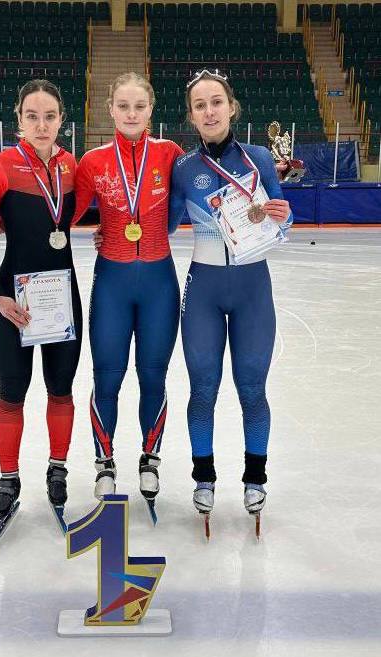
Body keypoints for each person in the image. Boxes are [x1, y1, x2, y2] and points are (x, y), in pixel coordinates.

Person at [169, 69, 292, 517]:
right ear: (191, 116)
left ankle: (255, 478)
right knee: (202, 389)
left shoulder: (258, 157)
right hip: (203, 288)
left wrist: (282, 214)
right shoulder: (183, 167)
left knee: (252, 389)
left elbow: (283, 219)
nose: (209, 111)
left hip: (252, 287)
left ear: (231, 107)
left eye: (216, 102)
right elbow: (164, 225)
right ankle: (204, 478)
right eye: (200, 105)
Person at [0, 80, 82, 523]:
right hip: (13, 301)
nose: (41, 124)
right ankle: (8, 479)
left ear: (61, 120)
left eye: (50, 116)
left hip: (61, 298)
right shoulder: (0, 166)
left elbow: (84, 213)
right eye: (32, 116)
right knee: (11, 392)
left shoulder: (71, 166)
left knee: (61, 388)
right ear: (19, 118)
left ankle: (57, 469)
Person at [73, 72, 183, 503]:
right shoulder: (93, 161)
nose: (131, 114)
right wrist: (0, 216)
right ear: (111, 109)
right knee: (107, 377)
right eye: (123, 106)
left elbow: (202, 191)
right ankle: (104, 463)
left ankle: (150, 459)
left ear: (151, 109)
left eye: (139, 106)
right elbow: (64, 213)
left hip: (159, 284)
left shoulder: (171, 154)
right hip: (112, 285)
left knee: (153, 375)